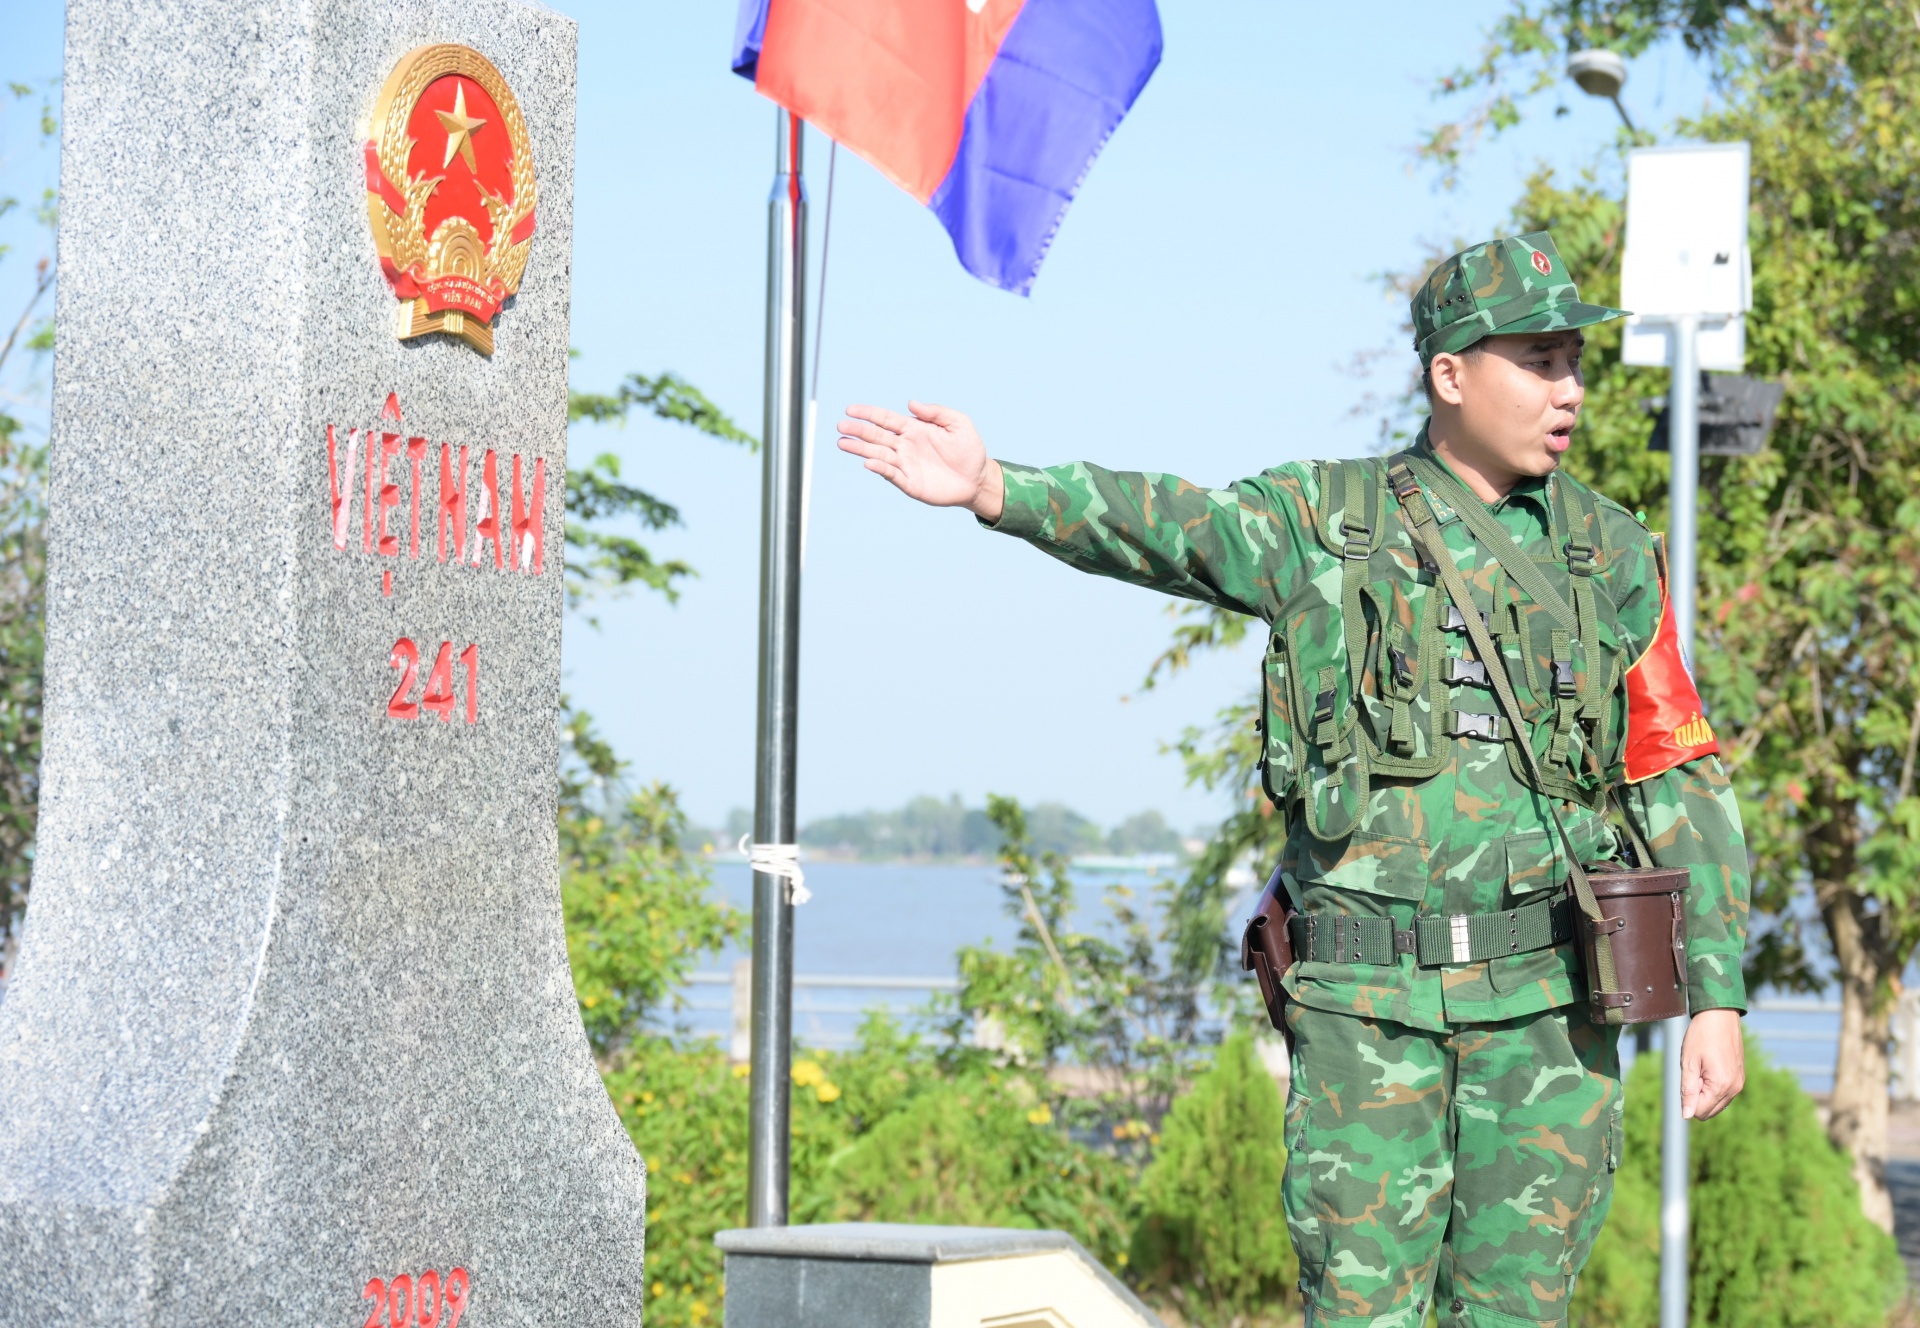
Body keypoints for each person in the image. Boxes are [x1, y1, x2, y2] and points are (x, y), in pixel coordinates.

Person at [836, 231, 1750, 1328]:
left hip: (1549, 1015)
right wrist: (995, 486)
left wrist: (1717, 992)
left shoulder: (1608, 553)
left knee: (1517, 1314)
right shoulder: (1325, 522)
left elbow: (1675, 774)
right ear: (1450, 375)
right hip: (1365, 1013)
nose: (1570, 388)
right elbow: (1175, 527)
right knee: (1359, 1313)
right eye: (1539, 359)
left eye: (1574, 360)